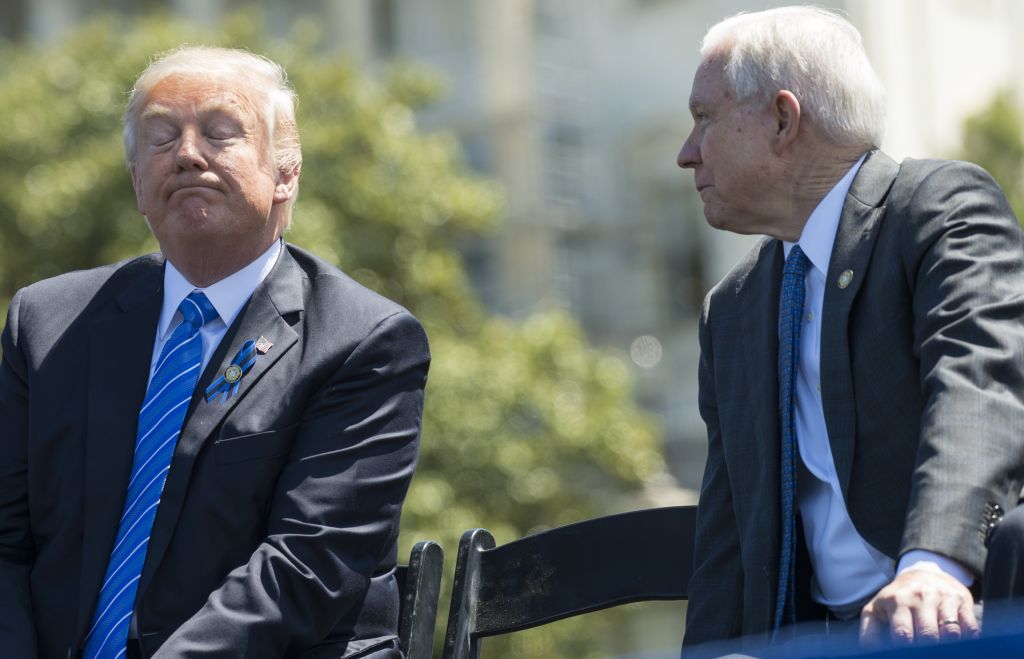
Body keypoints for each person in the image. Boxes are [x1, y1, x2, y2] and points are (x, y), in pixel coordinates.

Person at [0, 46, 430, 658]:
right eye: (161, 137)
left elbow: (306, 566)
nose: (188, 154)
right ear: (136, 182)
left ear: (286, 173)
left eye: (222, 133)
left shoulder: (363, 341)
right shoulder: (47, 323)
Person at [677, 6, 1024, 656]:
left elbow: (978, 389)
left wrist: (934, 564)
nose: (685, 153)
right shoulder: (732, 308)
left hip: (957, 620)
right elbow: (726, 541)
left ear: (783, 119)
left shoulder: (939, 210)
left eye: (704, 119)